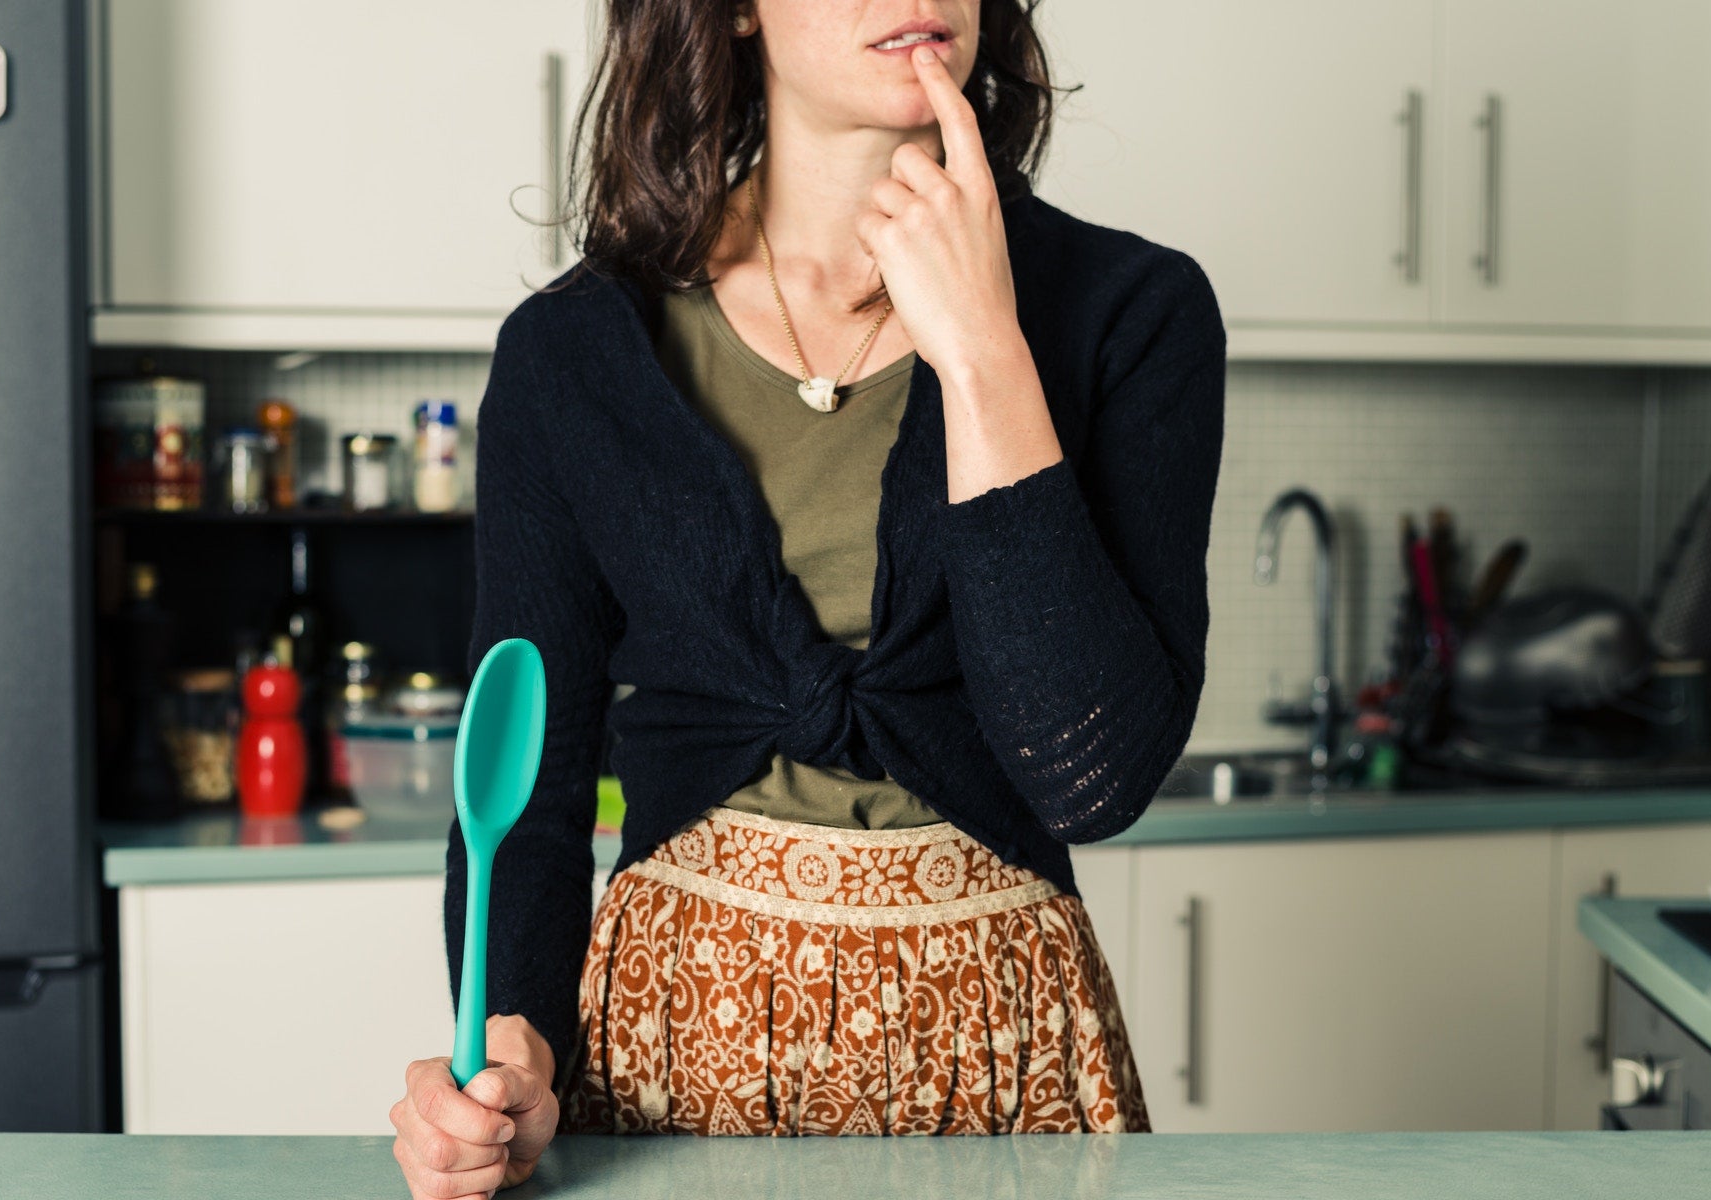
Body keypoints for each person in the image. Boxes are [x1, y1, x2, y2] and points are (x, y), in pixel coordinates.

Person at [391, 2, 1225, 1195]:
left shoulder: (1128, 313)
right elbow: (524, 775)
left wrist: (983, 350)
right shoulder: (572, 350)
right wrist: (512, 1040)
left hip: (1002, 1045)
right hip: (674, 1039)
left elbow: (1092, 779)